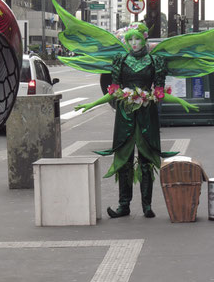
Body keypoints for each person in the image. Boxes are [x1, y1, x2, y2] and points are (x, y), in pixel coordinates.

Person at [75, 23, 198, 219]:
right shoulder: (120, 59)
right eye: (129, 39)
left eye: (137, 39)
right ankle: (124, 206)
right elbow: (114, 91)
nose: (133, 43)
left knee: (146, 160)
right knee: (123, 159)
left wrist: (181, 101)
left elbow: (159, 92)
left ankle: (147, 206)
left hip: (147, 115)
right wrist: (92, 104)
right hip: (124, 115)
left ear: (144, 39)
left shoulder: (155, 61)